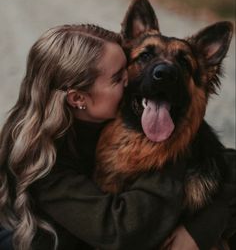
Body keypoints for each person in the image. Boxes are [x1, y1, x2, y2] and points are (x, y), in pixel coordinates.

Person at [0, 24, 235, 250]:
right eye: (117, 78)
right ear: (78, 98)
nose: (128, 81)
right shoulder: (43, 160)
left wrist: (205, 226)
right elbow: (121, 231)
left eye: (126, 70)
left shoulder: (111, 120)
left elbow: (228, 162)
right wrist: (171, 145)